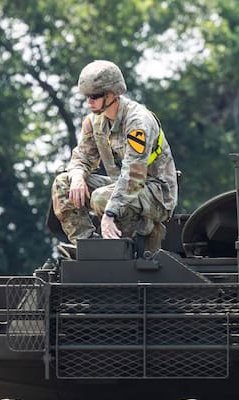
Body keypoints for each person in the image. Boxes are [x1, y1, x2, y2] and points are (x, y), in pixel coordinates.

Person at [50, 60, 178, 254]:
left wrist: (109, 214)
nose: (89, 102)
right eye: (86, 96)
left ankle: (142, 235)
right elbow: (82, 157)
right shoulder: (95, 122)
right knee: (63, 184)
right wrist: (77, 175)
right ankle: (88, 248)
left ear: (111, 94)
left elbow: (134, 177)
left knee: (101, 198)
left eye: (94, 96)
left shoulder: (138, 123)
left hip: (155, 193)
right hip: (121, 185)